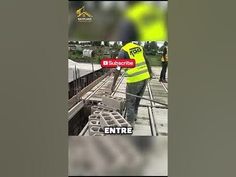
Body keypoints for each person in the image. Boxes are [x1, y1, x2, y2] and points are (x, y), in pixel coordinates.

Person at [111, 41, 152, 127]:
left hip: (134, 79)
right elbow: (146, 61)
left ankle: (130, 122)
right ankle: (134, 116)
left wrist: (113, 84)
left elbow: (118, 68)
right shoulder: (139, 47)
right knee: (137, 100)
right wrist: (150, 73)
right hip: (144, 77)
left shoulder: (124, 50)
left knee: (130, 101)